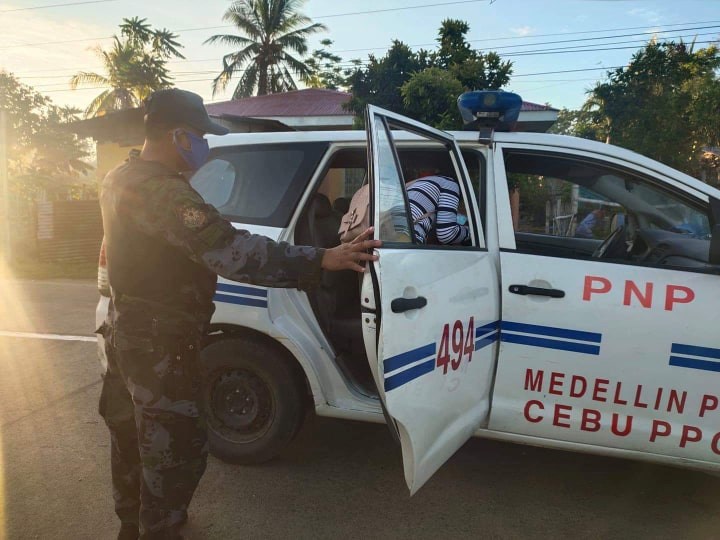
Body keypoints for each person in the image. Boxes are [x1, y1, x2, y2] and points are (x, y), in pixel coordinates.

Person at [98, 89, 380, 540]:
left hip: (127, 329)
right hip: (159, 342)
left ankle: (131, 523)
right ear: (177, 135)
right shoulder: (163, 192)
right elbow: (232, 253)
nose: (205, 147)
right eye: (200, 137)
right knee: (174, 446)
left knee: (130, 436)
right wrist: (320, 259)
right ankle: (161, 528)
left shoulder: (120, 176)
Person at [406, 175, 470, 245]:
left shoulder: (412, 186)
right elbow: (447, 234)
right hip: (409, 241)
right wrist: (474, 232)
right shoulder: (450, 184)